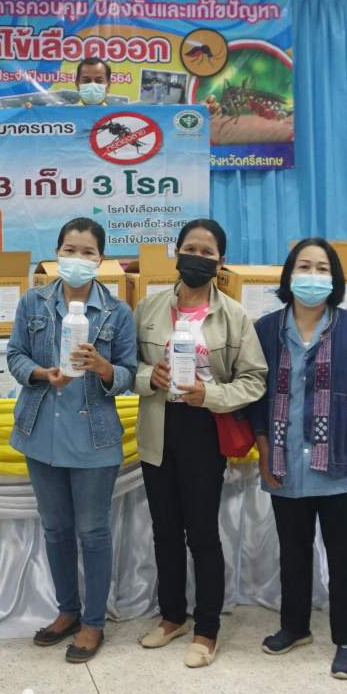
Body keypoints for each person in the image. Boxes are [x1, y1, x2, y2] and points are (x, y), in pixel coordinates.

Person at [250, 238, 347, 680]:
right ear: (290, 275)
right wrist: (263, 447)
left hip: (340, 461)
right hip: (284, 459)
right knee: (292, 551)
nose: (313, 276)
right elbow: (255, 395)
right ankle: (294, 627)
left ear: (335, 279)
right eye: (304, 267)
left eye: (322, 268)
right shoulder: (266, 329)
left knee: (345, 556)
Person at [133, 219, 267, 668]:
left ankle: (207, 628)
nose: (197, 257)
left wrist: (210, 395)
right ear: (177, 253)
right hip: (158, 426)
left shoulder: (234, 316)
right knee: (165, 530)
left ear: (220, 261)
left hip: (205, 430)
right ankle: (172, 616)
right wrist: (148, 376)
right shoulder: (149, 308)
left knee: (203, 533)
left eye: (207, 252)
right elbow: (127, 366)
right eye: (190, 248)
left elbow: (255, 380)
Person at [6, 218, 138, 663]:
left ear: (101, 259)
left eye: (87, 252)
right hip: (41, 432)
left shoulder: (117, 312)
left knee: (93, 532)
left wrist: (104, 368)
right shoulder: (34, 302)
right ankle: (67, 611)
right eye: (69, 250)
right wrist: (40, 373)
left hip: (94, 439)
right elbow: (15, 355)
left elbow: (130, 373)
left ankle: (93, 622)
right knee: (56, 529)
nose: (77, 259)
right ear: (57, 252)